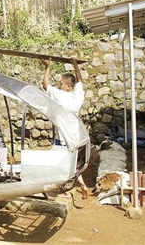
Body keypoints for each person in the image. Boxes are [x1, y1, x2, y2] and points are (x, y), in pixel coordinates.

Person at [43, 57, 90, 199]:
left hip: (63, 139)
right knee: (72, 163)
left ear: (68, 86)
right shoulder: (77, 97)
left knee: (54, 163)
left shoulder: (61, 96)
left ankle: (55, 188)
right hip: (75, 138)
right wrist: (75, 65)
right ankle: (82, 184)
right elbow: (80, 82)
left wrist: (48, 67)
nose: (60, 86)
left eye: (62, 84)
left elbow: (45, 85)